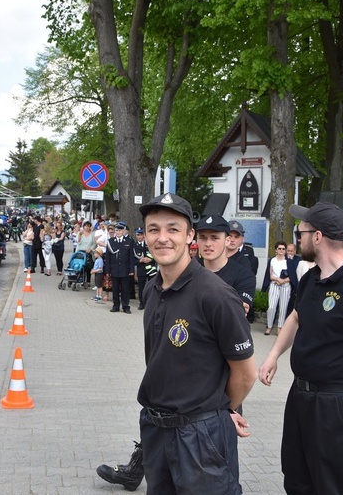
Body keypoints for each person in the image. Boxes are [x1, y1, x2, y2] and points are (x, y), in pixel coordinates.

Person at [110, 193, 256, 493]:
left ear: (190, 235)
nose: (162, 238)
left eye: (172, 229)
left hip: (201, 437)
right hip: (156, 430)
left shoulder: (216, 295)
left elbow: (245, 373)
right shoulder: (151, 289)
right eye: (154, 229)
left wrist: (218, 410)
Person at [258, 201, 343, 494]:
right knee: (297, 477)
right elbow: (297, 316)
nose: (298, 236)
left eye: (302, 231)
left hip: (338, 403)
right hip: (301, 395)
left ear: (317, 236)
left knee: (334, 484)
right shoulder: (311, 278)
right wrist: (273, 355)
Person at [261, 241, 297, 336]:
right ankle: (269, 326)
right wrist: (277, 279)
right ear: (276, 250)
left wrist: (283, 281)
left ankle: (280, 327)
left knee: (283, 308)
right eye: (279, 248)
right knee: (271, 307)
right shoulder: (272, 261)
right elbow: (270, 274)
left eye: (283, 249)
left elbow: (292, 276)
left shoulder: (289, 262)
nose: (281, 250)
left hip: (285, 286)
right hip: (274, 285)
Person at [104, 221, 135, 314]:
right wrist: (107, 270)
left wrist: (131, 270)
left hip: (125, 270)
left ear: (123, 231)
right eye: (116, 230)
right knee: (115, 289)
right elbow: (108, 257)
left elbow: (131, 257)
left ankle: (126, 307)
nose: (118, 232)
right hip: (114, 269)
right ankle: (116, 306)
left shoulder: (129, 241)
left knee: (125, 289)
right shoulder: (111, 242)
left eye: (120, 230)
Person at [132, 227, 156, 310]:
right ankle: (142, 303)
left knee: (152, 286)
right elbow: (133, 259)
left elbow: (155, 254)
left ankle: (151, 303)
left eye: (141, 234)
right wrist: (140, 260)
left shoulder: (149, 244)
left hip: (151, 269)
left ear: (144, 235)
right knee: (141, 287)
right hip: (141, 268)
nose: (139, 236)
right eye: (138, 235)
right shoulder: (134, 246)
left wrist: (151, 259)